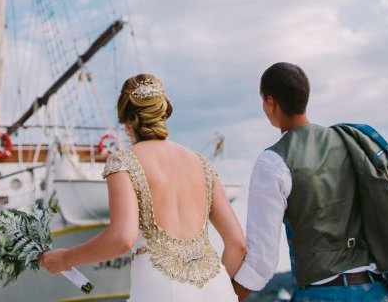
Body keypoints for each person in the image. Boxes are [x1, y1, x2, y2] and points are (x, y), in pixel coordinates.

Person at [233, 62, 388, 302]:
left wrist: (226, 296)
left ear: (270, 102)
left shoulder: (272, 161)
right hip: (375, 290)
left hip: (323, 293)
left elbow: (260, 264)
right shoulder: (351, 142)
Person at [41, 73, 246, 301]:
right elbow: (237, 244)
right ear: (163, 112)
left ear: (127, 120)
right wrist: (219, 290)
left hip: (161, 291)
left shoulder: (123, 162)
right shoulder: (202, 164)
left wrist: (65, 258)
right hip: (216, 289)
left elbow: (122, 238)